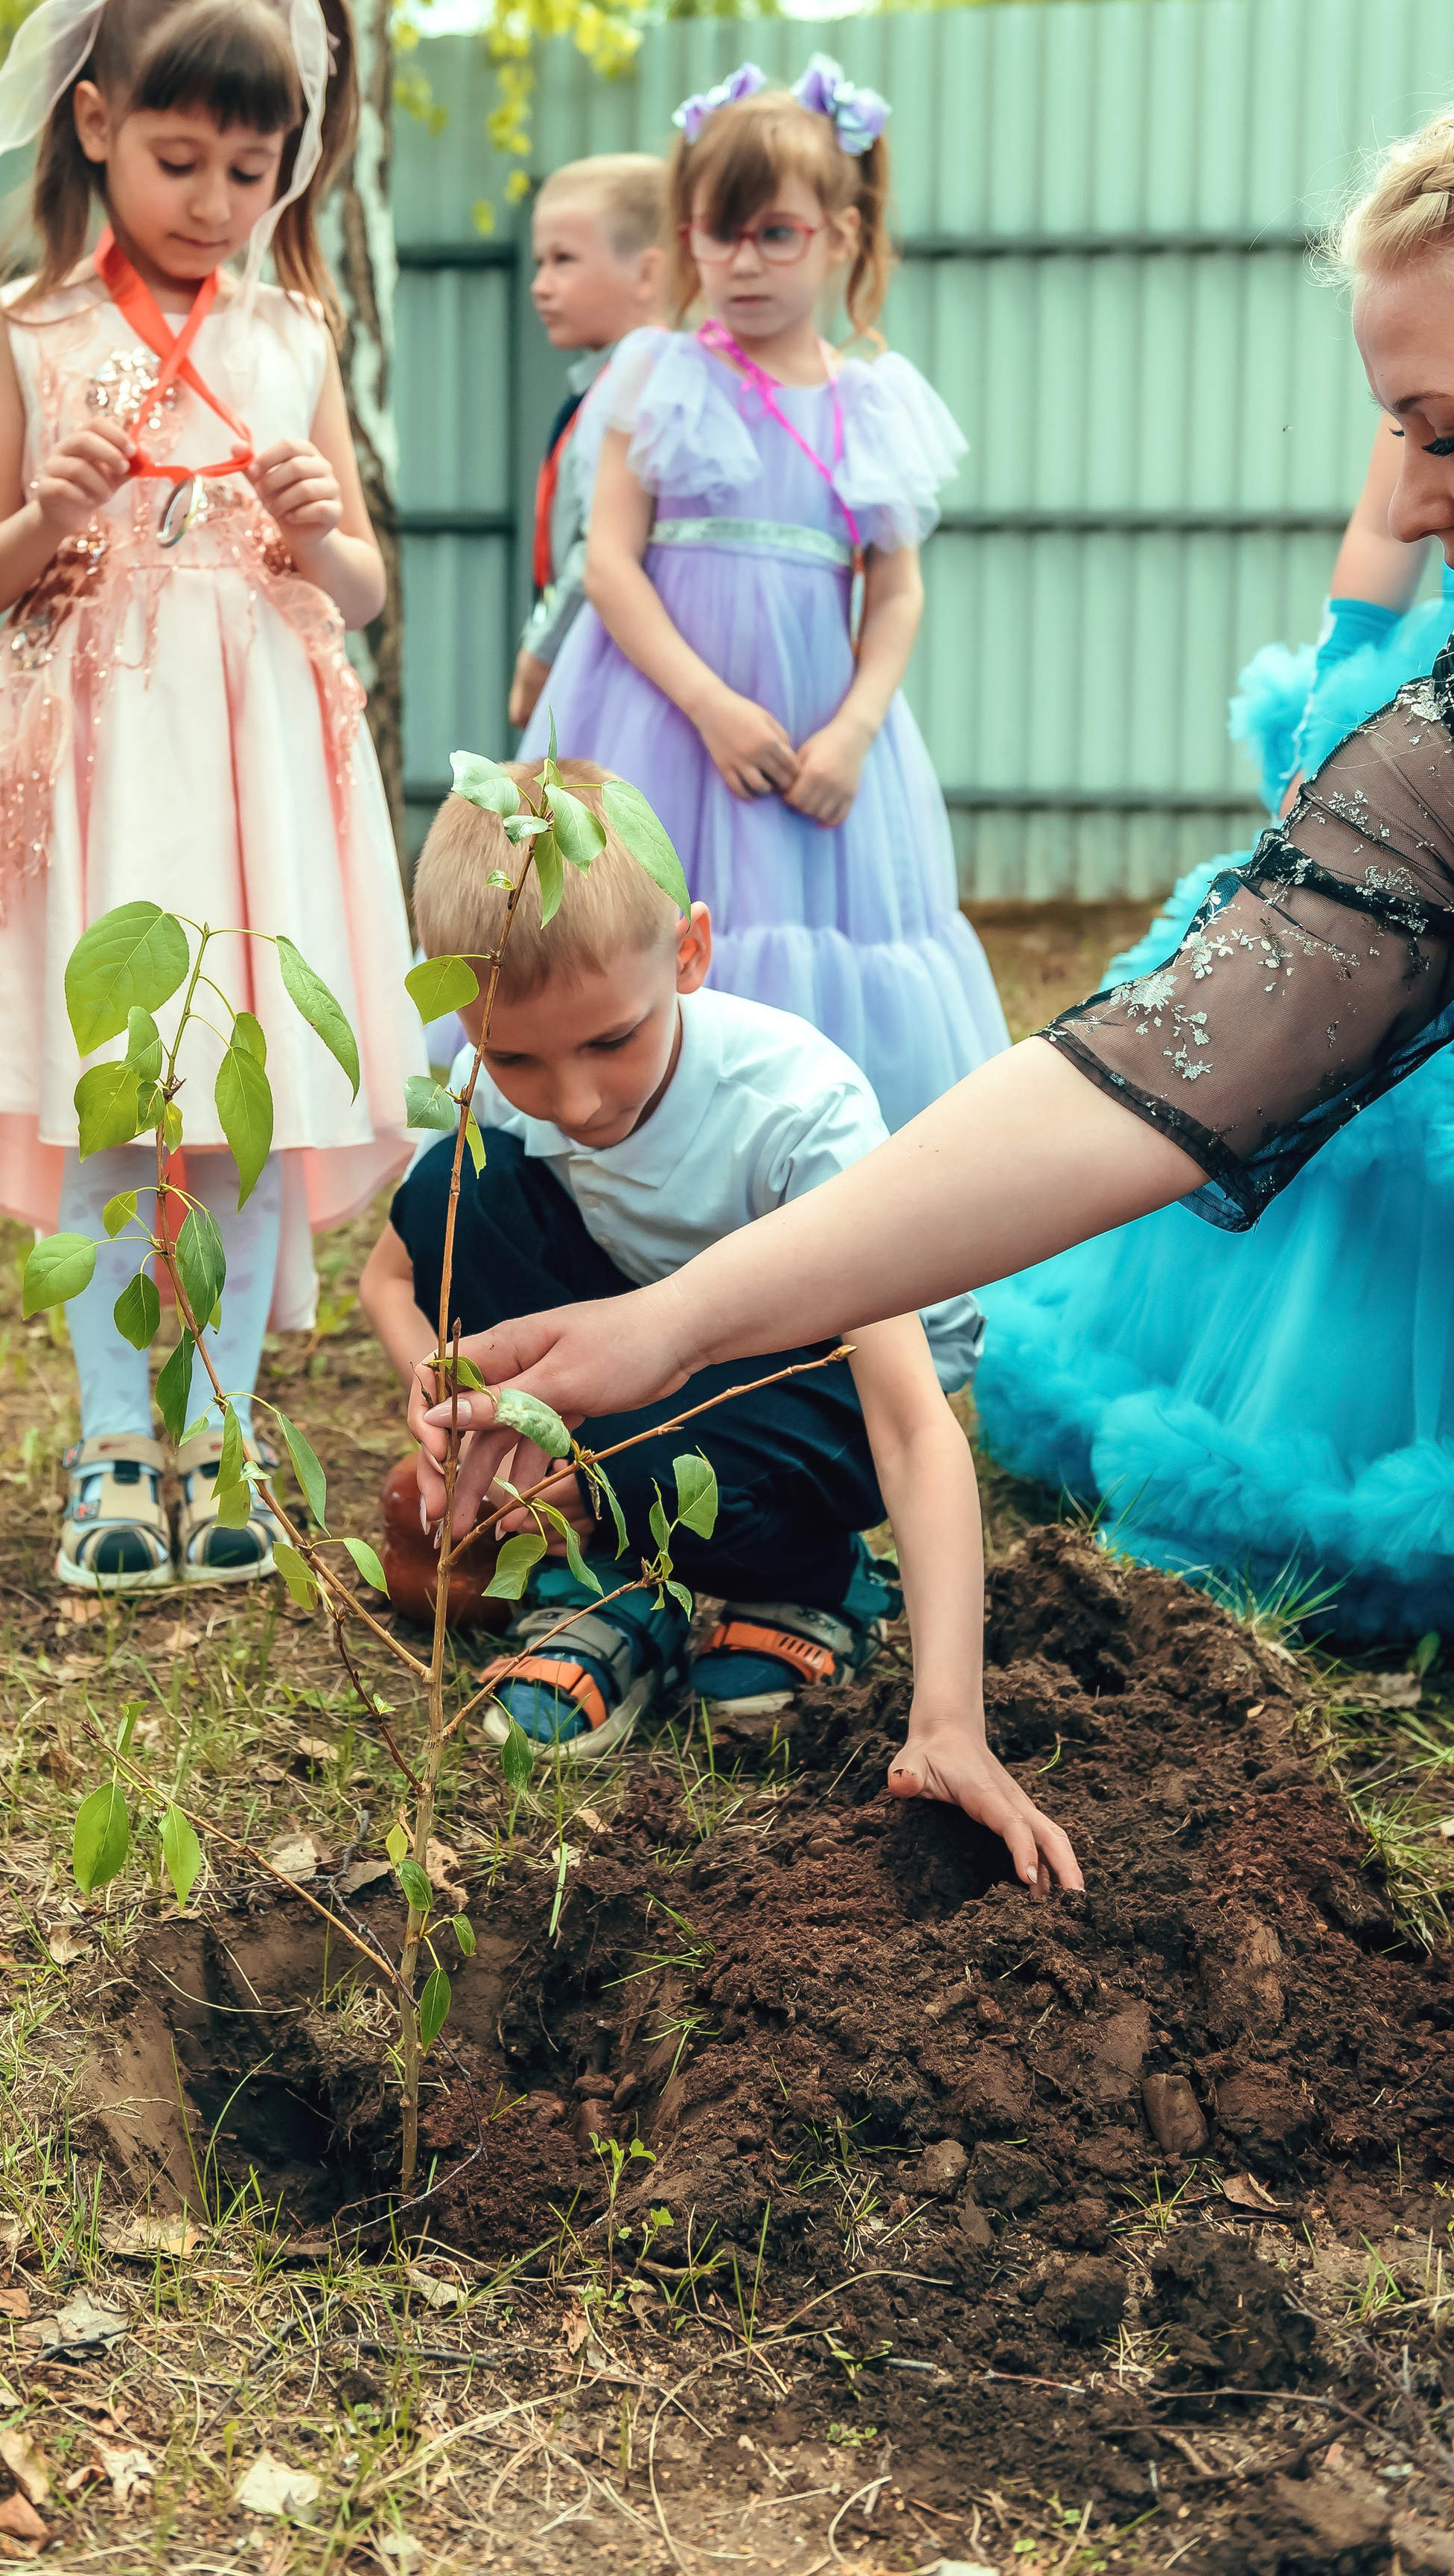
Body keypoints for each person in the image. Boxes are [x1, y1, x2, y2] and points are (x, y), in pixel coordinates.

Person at [416, 101, 1454, 1748]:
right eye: (1392, 434)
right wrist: (668, 1322)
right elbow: (1165, 1068)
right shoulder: (1428, 769)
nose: (1395, 513)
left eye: (1440, 438)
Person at [0, 0, 421, 1595]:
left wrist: (329, 534)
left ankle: (224, 1423)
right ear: (93, 125)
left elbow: (365, 587)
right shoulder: (30, 335)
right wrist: (48, 510)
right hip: (99, 751)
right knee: (124, 1097)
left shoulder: (292, 338)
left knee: (242, 1107)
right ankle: (119, 1426)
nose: (214, 202)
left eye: (250, 173)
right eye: (178, 160)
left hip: (260, 758)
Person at [355, 764, 1077, 1887]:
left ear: (689, 953)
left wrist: (951, 1717)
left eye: (610, 1040)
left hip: (831, 1380)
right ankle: (637, 1574)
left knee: (655, 1433)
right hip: (645, 1357)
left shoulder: (794, 1111)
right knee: (462, 1184)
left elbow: (910, 1423)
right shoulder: (485, 1084)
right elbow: (391, 1282)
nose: (575, 1099)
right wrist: (457, 1408)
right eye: (516, 1056)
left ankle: (813, 1581)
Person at [976, 433, 1454, 1633]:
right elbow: (1389, 516)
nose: (1418, 464)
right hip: (1422, 700)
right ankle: (1295, 1439)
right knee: (1313, 1049)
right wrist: (1342, 683)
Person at [518, 57, 1007, 1133]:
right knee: (628, 935)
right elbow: (608, 561)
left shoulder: (870, 406)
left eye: (775, 232)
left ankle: (802, 1200)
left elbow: (894, 594)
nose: (742, 261)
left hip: (817, 747)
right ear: (686, 236)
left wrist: (855, 732)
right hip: (660, 720)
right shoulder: (659, 373)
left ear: (841, 232)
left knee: (800, 958)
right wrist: (708, 705)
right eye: (716, 231)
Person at [508, 156, 667, 733]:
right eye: (539, 263)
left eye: (563, 261)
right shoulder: (603, 377)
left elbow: (595, 540)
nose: (540, 285)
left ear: (647, 274)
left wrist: (541, 650)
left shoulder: (642, 376)